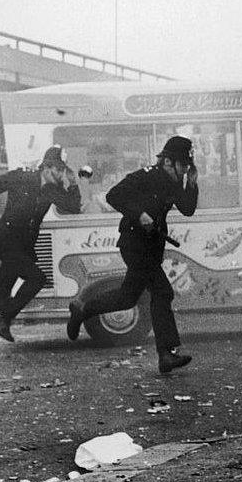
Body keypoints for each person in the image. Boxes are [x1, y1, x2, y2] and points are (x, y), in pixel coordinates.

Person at [66, 136, 198, 374]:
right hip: (134, 243)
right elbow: (113, 195)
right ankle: (166, 354)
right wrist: (139, 214)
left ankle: (83, 310)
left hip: (151, 246)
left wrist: (192, 182)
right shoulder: (145, 176)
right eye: (183, 166)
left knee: (128, 298)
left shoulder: (176, 181)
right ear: (168, 162)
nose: (184, 170)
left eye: (187, 166)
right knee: (162, 292)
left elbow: (187, 209)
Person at [0, 146, 80, 357]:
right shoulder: (21, 177)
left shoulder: (52, 190)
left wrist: (73, 184)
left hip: (22, 248)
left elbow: (73, 207)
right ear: (47, 167)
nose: (61, 174)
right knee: (38, 278)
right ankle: (4, 319)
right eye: (59, 169)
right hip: (6, 242)